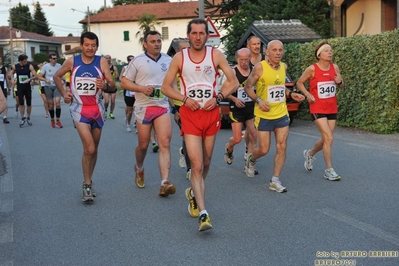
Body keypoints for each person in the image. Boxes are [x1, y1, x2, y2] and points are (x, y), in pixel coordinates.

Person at [161, 18, 239, 232]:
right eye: (193, 33)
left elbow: (234, 81)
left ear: (207, 35)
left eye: (201, 33)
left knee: (206, 162)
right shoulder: (179, 57)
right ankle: (203, 213)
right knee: (196, 165)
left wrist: (219, 96)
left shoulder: (215, 55)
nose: (197, 37)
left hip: (211, 113)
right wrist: (185, 99)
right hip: (190, 114)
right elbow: (165, 87)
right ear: (188, 35)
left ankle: (194, 193)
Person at [53, 32, 116, 203]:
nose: (90, 48)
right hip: (79, 109)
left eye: (93, 45)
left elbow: (113, 86)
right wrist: (64, 93)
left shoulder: (101, 61)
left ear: (97, 46)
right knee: (89, 148)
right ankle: (87, 185)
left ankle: (90, 180)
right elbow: (56, 76)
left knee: (94, 149)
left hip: (97, 109)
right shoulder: (72, 61)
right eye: (87, 45)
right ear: (81, 45)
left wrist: (105, 85)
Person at [243, 40, 305, 192]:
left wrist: (291, 94)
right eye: (274, 50)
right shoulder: (259, 68)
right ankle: (251, 159)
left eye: (280, 50)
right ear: (267, 52)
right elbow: (247, 86)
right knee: (264, 149)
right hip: (263, 114)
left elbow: (279, 87)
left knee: (282, 146)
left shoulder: (283, 67)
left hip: (281, 112)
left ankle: (275, 180)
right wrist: (258, 100)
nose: (278, 53)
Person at [121, 31, 176, 198]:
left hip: (162, 106)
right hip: (143, 107)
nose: (157, 44)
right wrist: (141, 88)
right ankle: (139, 168)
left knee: (164, 143)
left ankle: (164, 182)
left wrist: (177, 107)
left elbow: (173, 85)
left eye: (159, 41)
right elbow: (124, 82)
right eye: (152, 41)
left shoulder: (168, 60)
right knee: (143, 145)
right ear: (145, 44)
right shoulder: (138, 61)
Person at [296, 40, 344, 181]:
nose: (330, 53)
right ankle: (329, 170)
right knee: (329, 138)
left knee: (326, 139)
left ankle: (310, 154)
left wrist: (340, 81)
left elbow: (341, 85)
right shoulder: (312, 69)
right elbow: (300, 82)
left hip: (331, 107)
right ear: (319, 54)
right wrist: (308, 94)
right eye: (326, 51)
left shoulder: (335, 67)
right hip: (317, 106)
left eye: (331, 50)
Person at [224, 48, 257, 175]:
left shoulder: (254, 70)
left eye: (246, 59)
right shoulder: (232, 72)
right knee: (237, 139)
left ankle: (249, 163)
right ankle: (229, 148)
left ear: (250, 58)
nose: (244, 62)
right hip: (236, 108)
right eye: (241, 59)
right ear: (237, 59)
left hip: (250, 107)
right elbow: (224, 92)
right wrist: (234, 98)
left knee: (254, 135)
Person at [169, 39, 191, 180]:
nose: (187, 51)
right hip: (179, 105)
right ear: (177, 51)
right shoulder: (174, 65)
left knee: (195, 137)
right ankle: (190, 168)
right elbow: (170, 88)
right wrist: (174, 110)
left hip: (194, 104)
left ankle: (185, 152)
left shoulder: (193, 64)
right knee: (188, 135)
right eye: (184, 49)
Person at [9, 54, 37, 127]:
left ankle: (28, 117)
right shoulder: (16, 66)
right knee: (21, 103)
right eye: (24, 61)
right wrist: (12, 80)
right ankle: (22, 118)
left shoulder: (29, 66)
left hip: (27, 87)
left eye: (26, 60)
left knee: (29, 104)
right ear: (20, 61)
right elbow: (10, 74)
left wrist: (30, 79)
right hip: (20, 87)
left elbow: (35, 75)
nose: (26, 62)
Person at [38, 53, 63, 128]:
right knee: (51, 105)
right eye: (54, 58)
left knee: (58, 103)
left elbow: (63, 74)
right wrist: (45, 80)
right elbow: (39, 77)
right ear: (50, 59)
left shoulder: (59, 65)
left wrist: (64, 80)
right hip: (48, 87)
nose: (55, 60)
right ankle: (52, 120)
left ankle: (58, 120)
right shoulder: (45, 66)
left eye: (56, 58)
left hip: (57, 86)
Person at [119, 55, 135, 132]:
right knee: (130, 110)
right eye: (129, 60)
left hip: (137, 91)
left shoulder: (138, 68)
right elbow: (120, 78)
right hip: (128, 91)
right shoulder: (125, 68)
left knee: (138, 110)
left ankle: (137, 124)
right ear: (127, 61)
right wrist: (125, 82)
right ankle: (128, 123)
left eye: (133, 60)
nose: (131, 61)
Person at [103, 54, 119, 119]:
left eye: (109, 58)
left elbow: (117, 76)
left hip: (112, 86)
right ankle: (105, 110)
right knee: (106, 101)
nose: (108, 59)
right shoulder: (103, 67)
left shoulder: (114, 67)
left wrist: (116, 74)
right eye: (106, 58)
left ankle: (111, 112)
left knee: (112, 101)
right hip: (106, 86)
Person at [0, 57, 11, 123]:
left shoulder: (5, 68)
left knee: (5, 101)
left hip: (3, 86)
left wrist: (8, 88)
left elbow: (6, 78)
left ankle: (5, 117)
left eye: (0, 59)